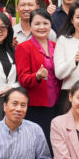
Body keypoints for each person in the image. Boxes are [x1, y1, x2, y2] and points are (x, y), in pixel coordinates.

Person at [14, 8, 61, 148]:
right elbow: (22, 78)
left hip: (57, 103)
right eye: (37, 23)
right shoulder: (24, 47)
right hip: (36, 105)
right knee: (39, 144)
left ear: (50, 25)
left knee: (55, 142)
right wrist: (37, 76)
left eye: (45, 23)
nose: (42, 27)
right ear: (30, 26)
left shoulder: (56, 46)